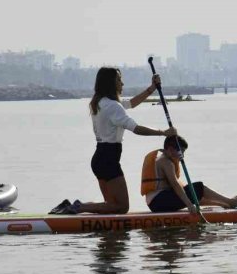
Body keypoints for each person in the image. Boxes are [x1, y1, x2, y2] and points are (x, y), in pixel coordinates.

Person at [50, 67, 177, 215]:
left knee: (110, 206)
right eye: (119, 80)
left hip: (99, 159)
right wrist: (163, 133)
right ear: (110, 83)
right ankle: (79, 207)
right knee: (122, 207)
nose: (122, 83)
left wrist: (151, 89)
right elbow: (136, 128)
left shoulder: (101, 102)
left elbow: (131, 103)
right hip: (109, 160)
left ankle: (75, 208)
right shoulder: (113, 107)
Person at [141, 136, 237, 213]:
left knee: (193, 192)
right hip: (159, 202)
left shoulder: (164, 158)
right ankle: (230, 202)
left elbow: (186, 193)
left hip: (157, 202)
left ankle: (224, 203)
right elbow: (175, 185)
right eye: (180, 152)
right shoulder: (166, 162)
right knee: (198, 187)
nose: (182, 155)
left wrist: (192, 202)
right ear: (170, 149)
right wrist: (189, 205)